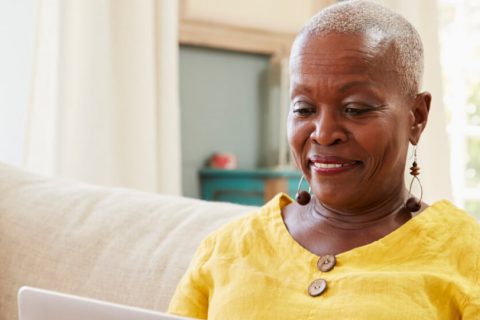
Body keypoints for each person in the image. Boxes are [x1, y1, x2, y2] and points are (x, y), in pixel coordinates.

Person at [168, 1, 480, 318]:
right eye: (304, 109)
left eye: (355, 108)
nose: (323, 133)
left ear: (416, 117)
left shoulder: (467, 257)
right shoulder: (226, 248)